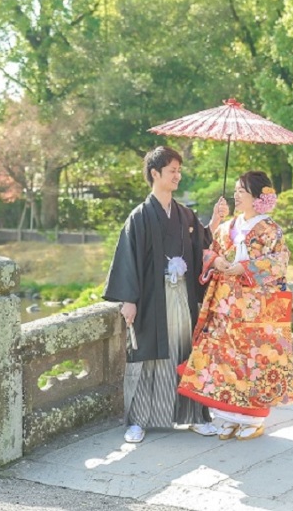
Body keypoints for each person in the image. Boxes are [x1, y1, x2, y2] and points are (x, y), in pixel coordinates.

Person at [103, 145, 229, 443]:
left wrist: (215, 220)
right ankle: (138, 421)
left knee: (186, 350)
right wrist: (128, 299)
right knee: (146, 354)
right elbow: (128, 258)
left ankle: (194, 415)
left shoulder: (184, 214)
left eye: (179, 171)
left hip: (181, 294)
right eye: (172, 170)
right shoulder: (139, 216)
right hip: (152, 298)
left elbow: (200, 243)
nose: (177, 176)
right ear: (155, 173)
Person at [177, 170, 293, 441]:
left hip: (256, 307)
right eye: (235, 191)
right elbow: (208, 251)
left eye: (242, 191)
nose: (236, 195)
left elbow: (280, 261)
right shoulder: (227, 227)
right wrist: (217, 261)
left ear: (258, 197)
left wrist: (245, 267)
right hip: (224, 305)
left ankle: (252, 420)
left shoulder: (270, 229)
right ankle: (229, 417)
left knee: (253, 360)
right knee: (224, 359)